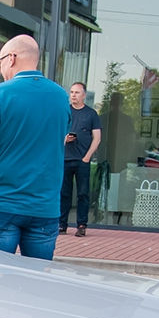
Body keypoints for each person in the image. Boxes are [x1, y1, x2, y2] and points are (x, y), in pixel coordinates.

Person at [0, 34, 69, 259]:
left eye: (0, 62)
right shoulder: (61, 97)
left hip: (1, 203)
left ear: (12, 58)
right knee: (37, 282)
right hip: (44, 206)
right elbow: (58, 144)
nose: (0, 68)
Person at [60, 81, 100, 237]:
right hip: (65, 159)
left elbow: (97, 138)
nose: (73, 95)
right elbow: (56, 134)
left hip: (82, 160)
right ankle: (61, 224)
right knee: (64, 193)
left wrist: (87, 157)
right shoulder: (65, 112)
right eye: (71, 92)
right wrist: (65, 139)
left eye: (77, 93)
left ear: (84, 95)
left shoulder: (91, 114)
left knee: (83, 193)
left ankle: (81, 225)